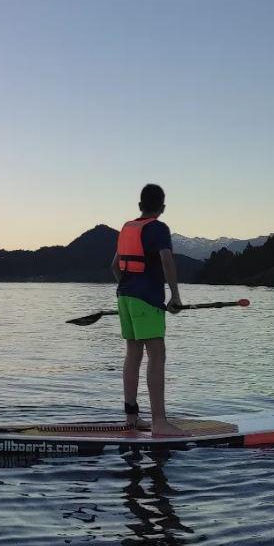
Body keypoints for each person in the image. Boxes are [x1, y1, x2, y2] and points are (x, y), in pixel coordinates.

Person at [110, 183, 187, 436]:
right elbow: (166, 260)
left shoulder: (127, 228)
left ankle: (131, 419)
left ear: (140, 206)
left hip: (124, 296)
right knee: (156, 354)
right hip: (147, 299)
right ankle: (159, 423)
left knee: (133, 354)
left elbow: (114, 266)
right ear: (162, 207)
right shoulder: (158, 228)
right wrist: (175, 296)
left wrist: (129, 288)